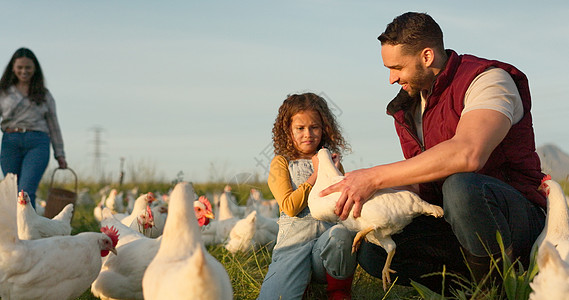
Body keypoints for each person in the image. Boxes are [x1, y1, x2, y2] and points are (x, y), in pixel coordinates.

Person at [321, 12, 546, 289]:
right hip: (454, 220)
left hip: (516, 220)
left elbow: (468, 153)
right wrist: (369, 194)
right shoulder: (410, 105)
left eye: (397, 67)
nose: (391, 79)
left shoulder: (488, 80)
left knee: (462, 186)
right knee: (375, 251)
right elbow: (425, 178)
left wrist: (374, 177)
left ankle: (498, 292)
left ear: (426, 56)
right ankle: (469, 291)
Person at [258, 93, 357, 300]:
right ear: (288, 131)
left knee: (342, 233)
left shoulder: (331, 162)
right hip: (293, 246)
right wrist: (317, 174)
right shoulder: (281, 162)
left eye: (314, 127)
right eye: (300, 128)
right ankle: (299, 285)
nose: (308, 134)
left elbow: (341, 207)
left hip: (324, 249)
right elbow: (290, 207)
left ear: (324, 128)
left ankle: (338, 292)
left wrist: (334, 173)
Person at [0, 48, 67, 208]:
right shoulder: (4, 92)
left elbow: (54, 125)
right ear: (13, 68)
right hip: (11, 142)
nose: (24, 71)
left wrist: (60, 154)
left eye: (28, 67)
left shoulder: (44, 94)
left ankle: (27, 232)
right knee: (11, 192)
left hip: (37, 142)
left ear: (35, 68)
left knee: (26, 191)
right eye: (20, 67)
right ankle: (11, 232)